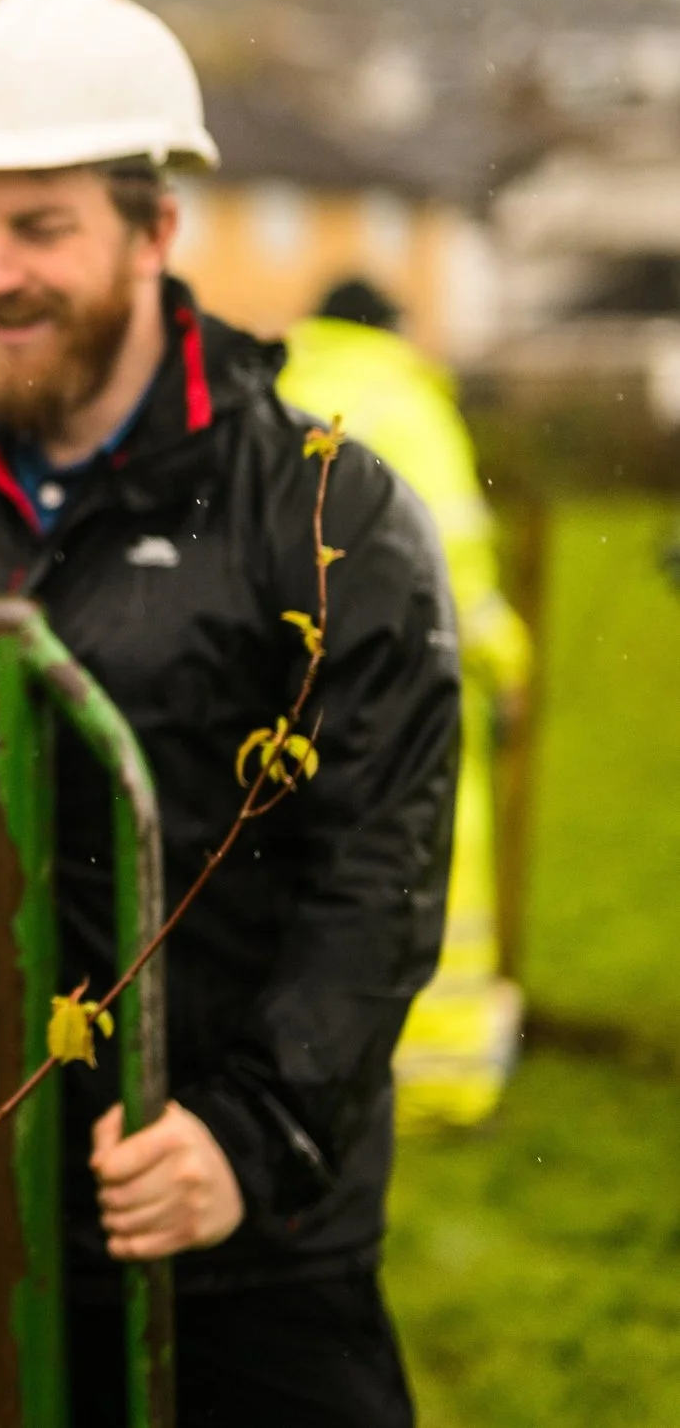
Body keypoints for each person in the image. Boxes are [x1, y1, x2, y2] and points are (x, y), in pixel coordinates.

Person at [0, 0, 460, 1427]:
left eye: (40, 228)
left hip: (236, 1256)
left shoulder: (319, 515)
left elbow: (379, 868)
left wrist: (249, 1136)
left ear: (153, 231)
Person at [280, 277, 532, 1130]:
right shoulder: (409, 405)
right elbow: (454, 564)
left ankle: (308, 1078)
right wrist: (504, 657)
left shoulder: (278, 395)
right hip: (407, 684)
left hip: (291, 689)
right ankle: (438, 1078)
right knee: (427, 873)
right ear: (391, 327)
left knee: (310, 878)